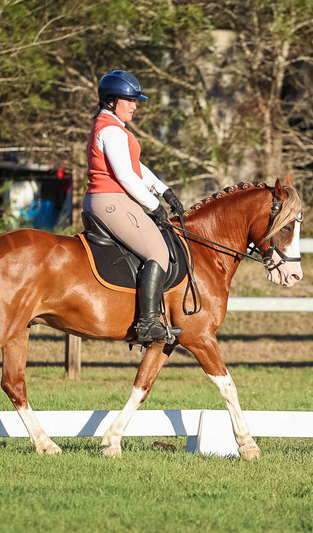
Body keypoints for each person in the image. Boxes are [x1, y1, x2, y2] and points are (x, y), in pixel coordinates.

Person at [84, 70, 185, 344]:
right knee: (158, 252)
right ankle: (147, 324)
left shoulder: (114, 128)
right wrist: (155, 207)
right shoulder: (111, 130)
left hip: (109, 199)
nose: (135, 105)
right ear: (111, 101)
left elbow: (135, 167)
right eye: (129, 100)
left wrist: (163, 190)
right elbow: (126, 176)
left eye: (135, 100)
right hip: (111, 200)